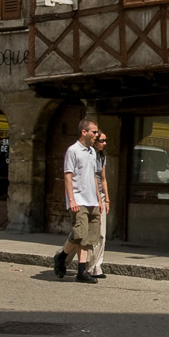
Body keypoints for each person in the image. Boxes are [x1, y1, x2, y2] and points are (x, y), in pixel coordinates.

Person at [55, 119, 103, 283]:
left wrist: (99, 199)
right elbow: (68, 176)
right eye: (94, 132)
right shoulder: (73, 150)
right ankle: (61, 257)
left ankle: (81, 271)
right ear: (84, 132)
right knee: (79, 234)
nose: (96, 135)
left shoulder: (92, 151)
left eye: (97, 132)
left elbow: (95, 178)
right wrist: (72, 200)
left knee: (90, 237)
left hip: (92, 200)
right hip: (79, 199)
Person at [87, 127, 110, 279]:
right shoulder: (89, 155)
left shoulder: (102, 156)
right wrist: (97, 198)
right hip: (90, 196)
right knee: (89, 234)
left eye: (105, 140)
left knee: (102, 233)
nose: (104, 143)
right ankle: (88, 266)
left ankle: (97, 266)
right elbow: (92, 178)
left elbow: (103, 178)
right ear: (95, 142)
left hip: (100, 195)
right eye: (102, 141)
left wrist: (106, 199)